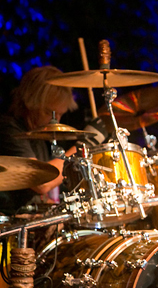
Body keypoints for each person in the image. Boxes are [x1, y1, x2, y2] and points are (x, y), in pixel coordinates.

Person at [0, 65, 105, 215]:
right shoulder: (9, 129)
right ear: (31, 102)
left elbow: (35, 196)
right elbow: (41, 183)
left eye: (60, 115)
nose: (55, 121)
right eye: (49, 113)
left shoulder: (37, 134)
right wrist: (84, 146)